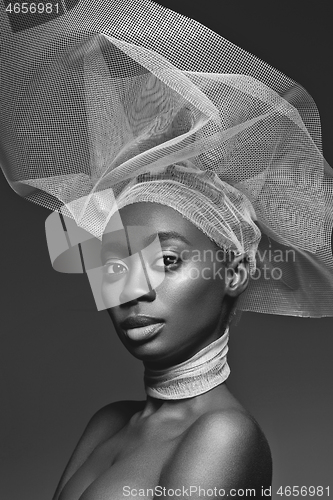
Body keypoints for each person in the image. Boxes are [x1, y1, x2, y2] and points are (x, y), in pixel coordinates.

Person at [1, 1, 333, 499]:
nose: (131, 289)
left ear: (235, 271)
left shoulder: (222, 436)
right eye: (115, 263)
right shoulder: (108, 423)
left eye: (167, 260)